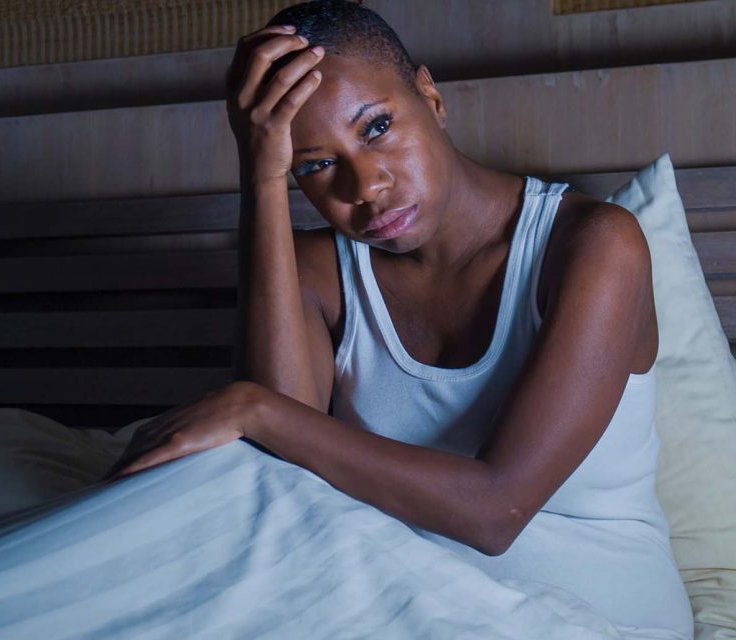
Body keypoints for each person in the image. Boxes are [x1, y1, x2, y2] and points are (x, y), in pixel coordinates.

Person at [105, 1, 693, 636]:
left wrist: (251, 408)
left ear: (430, 96)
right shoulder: (317, 272)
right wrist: (263, 178)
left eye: (377, 127)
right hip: (389, 602)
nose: (364, 186)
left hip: (594, 612)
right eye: (314, 165)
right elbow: (274, 479)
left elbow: (494, 511)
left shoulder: (593, 245)